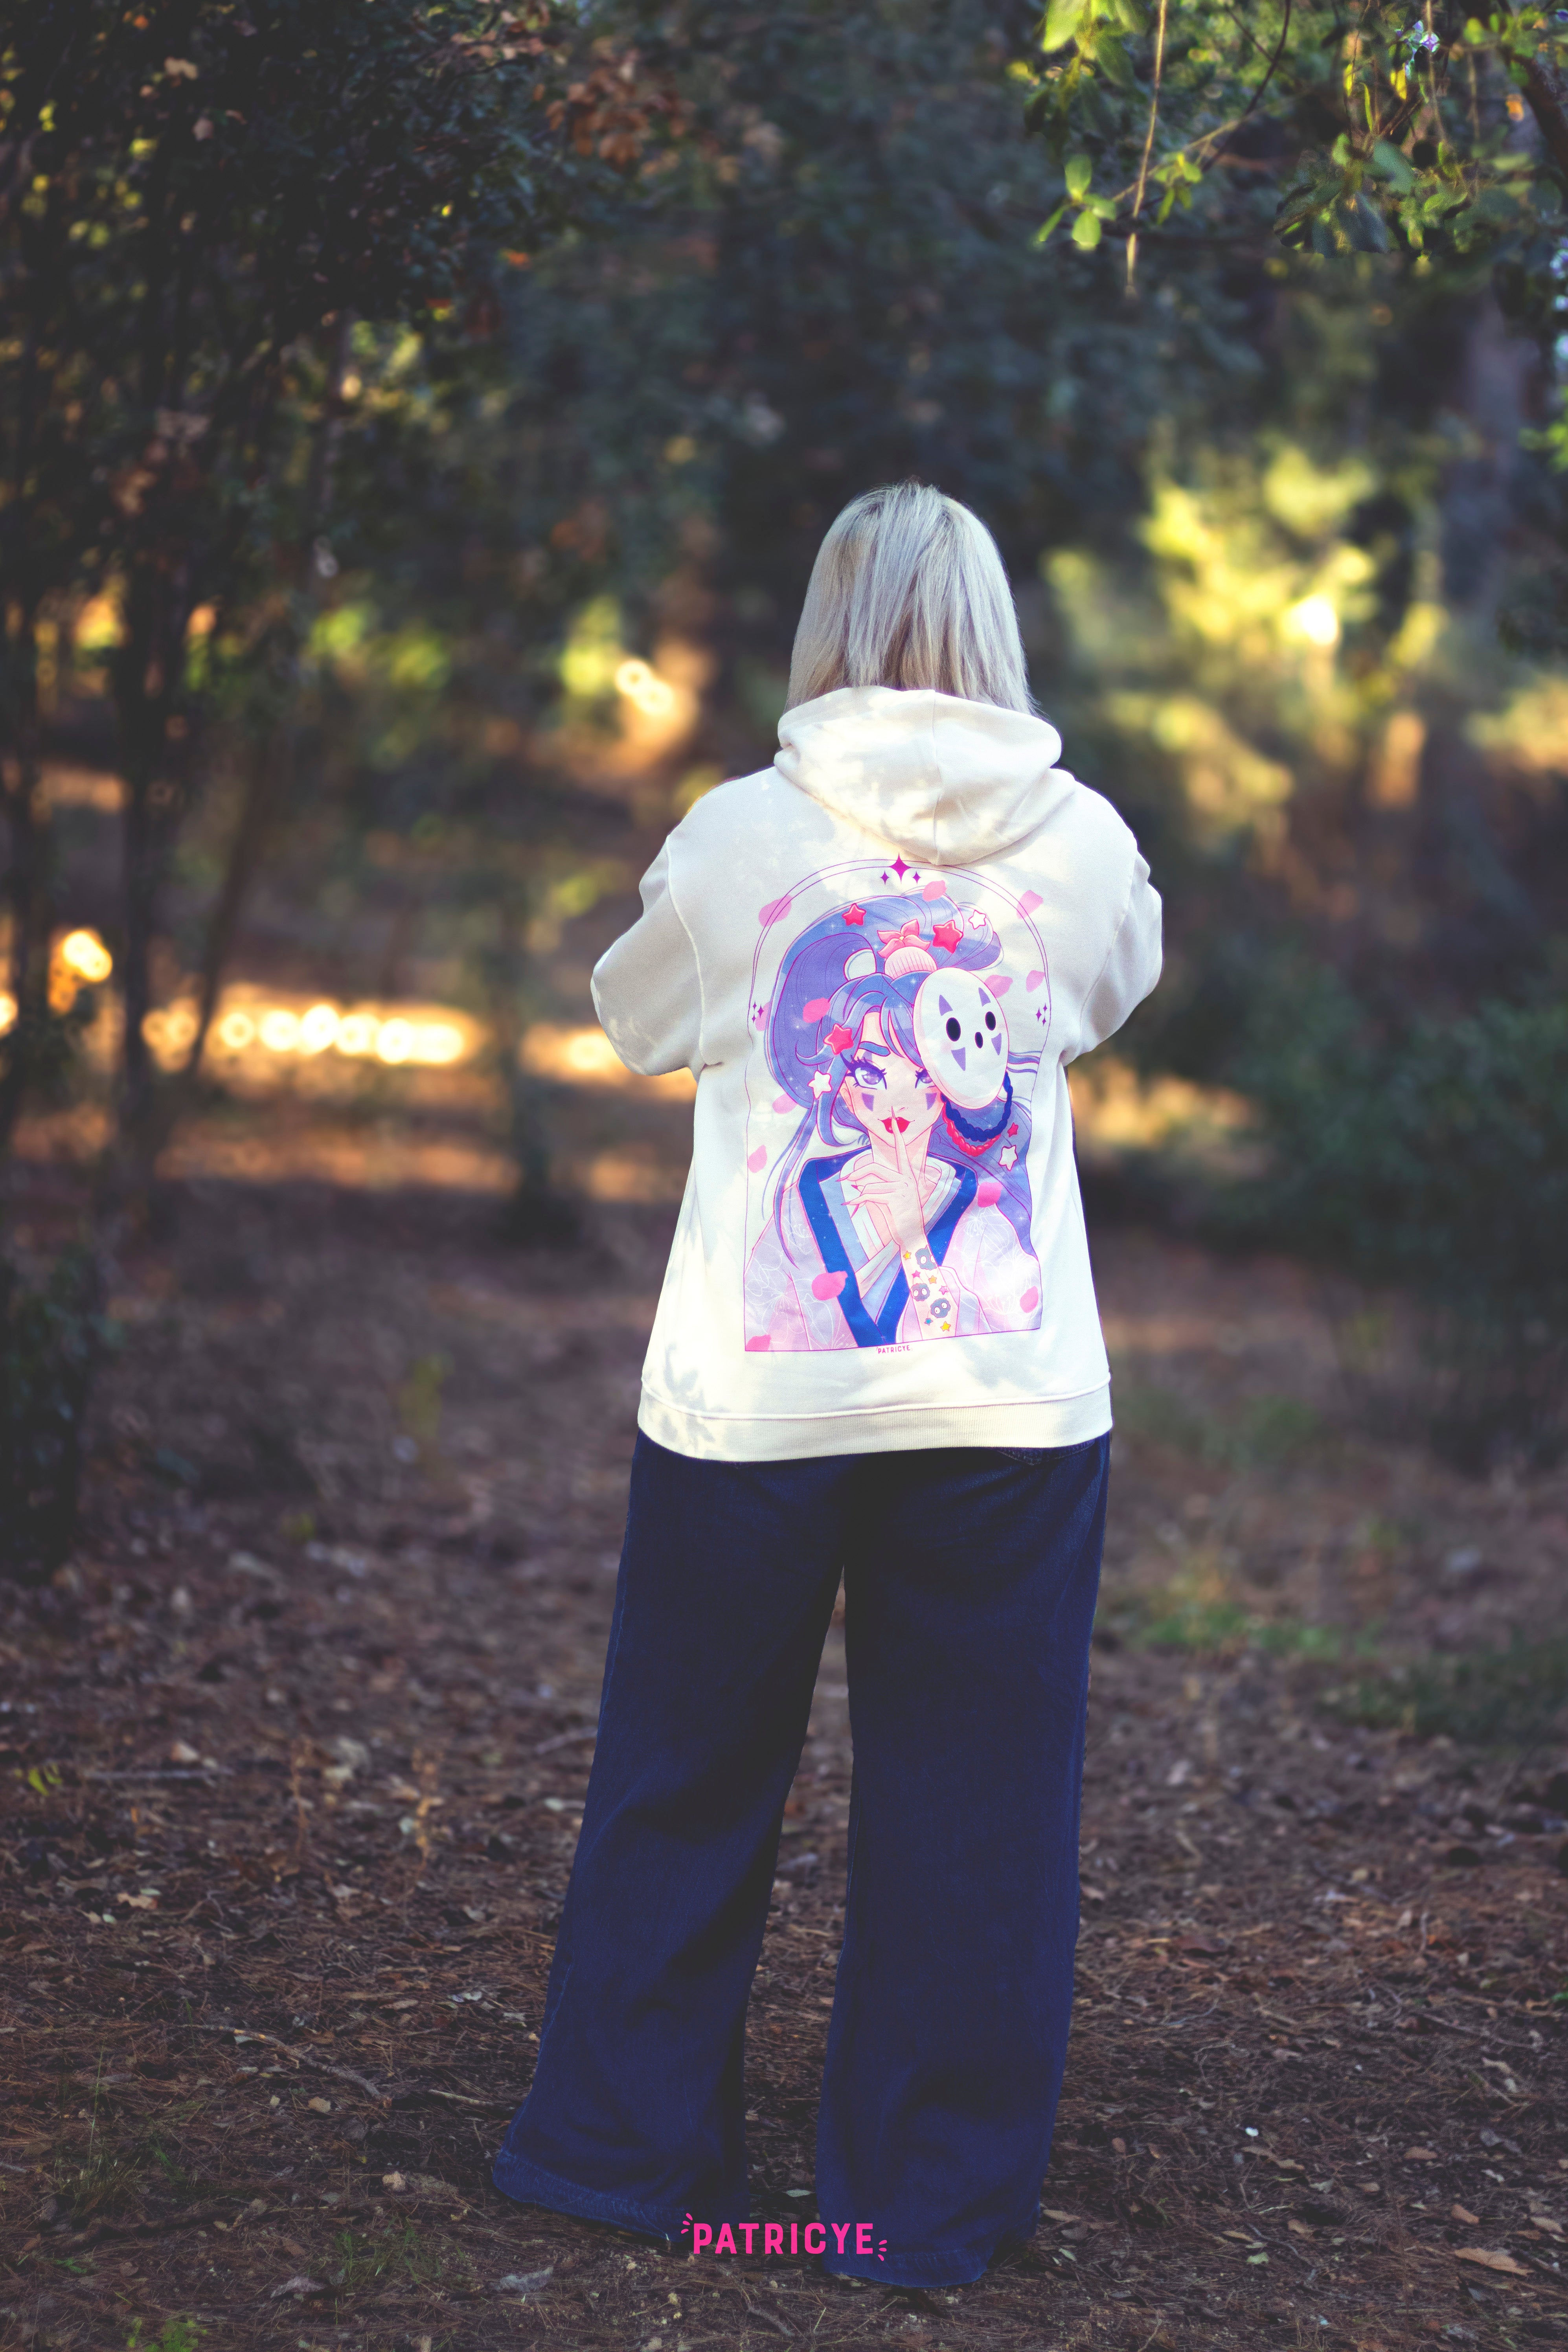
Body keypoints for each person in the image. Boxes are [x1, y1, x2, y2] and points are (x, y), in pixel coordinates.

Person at [491, 481, 1163, 2290]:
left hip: (753, 1400)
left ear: (822, 626)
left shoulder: (733, 837)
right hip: (1006, 1405)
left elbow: (639, 1017)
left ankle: (623, 2150)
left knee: (685, 1764)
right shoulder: (1084, 845)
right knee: (979, 1806)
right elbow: (1108, 988)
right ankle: (919, 2204)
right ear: (991, 626)